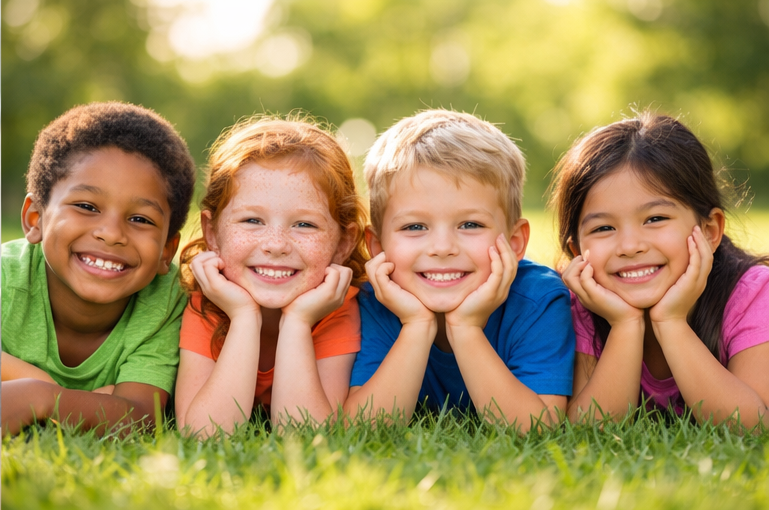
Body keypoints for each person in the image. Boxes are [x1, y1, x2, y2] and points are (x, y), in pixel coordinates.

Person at [344, 110, 575, 432]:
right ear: (377, 246)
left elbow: (537, 428)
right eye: (414, 226)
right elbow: (363, 429)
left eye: (470, 224)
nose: (442, 247)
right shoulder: (373, 303)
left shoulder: (538, 299)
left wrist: (466, 328)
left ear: (514, 241)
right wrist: (416, 325)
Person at [550, 112, 769, 426]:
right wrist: (625, 325)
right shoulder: (579, 306)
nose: (630, 246)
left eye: (655, 219)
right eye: (603, 228)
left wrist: (671, 321)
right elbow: (588, 430)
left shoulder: (751, 294)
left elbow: (752, 426)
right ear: (576, 251)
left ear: (709, 231)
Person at [1, 102, 196, 436]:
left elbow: (140, 417)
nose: (111, 233)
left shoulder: (166, 305)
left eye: (140, 219)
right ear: (36, 219)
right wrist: (89, 400)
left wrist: (41, 396)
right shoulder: (7, 277)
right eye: (87, 206)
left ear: (167, 251)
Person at [174, 116, 367, 437]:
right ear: (212, 233)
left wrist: (298, 322)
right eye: (252, 220)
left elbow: (304, 434)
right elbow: (204, 434)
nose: (276, 245)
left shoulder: (338, 307)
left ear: (342, 243)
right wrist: (243, 316)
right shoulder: (206, 305)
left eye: (304, 224)